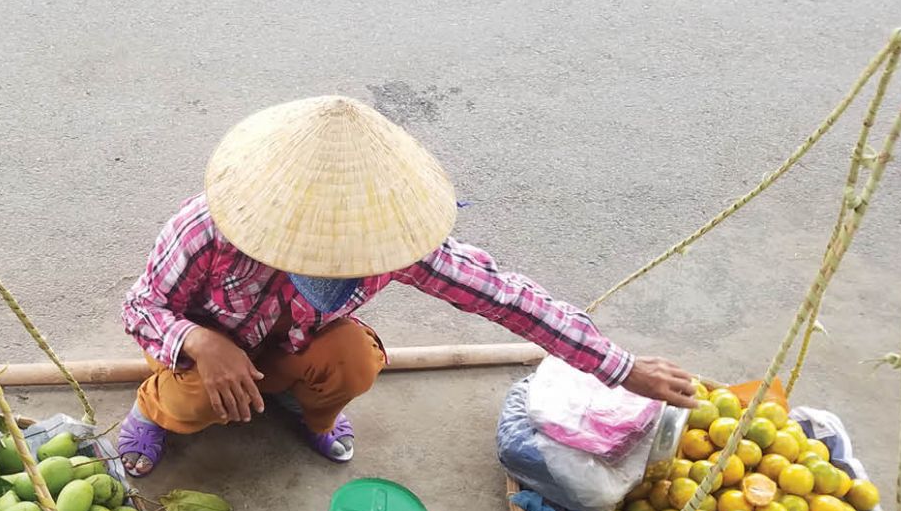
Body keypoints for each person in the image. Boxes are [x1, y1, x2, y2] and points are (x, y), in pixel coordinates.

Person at [118, 95, 696, 476]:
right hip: (205, 349)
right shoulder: (208, 229)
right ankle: (155, 411)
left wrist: (620, 368)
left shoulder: (390, 243)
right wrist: (200, 343)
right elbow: (142, 306)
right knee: (196, 397)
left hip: (294, 345)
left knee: (355, 359)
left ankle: (307, 411)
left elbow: (507, 298)